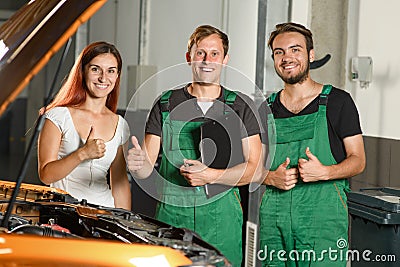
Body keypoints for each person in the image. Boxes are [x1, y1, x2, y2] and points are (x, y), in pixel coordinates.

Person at [127, 24, 262, 266]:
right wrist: (137, 165)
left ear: (225, 59)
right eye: (200, 53)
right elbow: (147, 167)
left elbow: (255, 169)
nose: (207, 60)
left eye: (214, 54)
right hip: (172, 218)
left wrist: (211, 175)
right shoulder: (166, 103)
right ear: (189, 57)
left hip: (222, 221)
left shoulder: (240, 105)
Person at [258, 22, 366, 266]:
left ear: (310, 54)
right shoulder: (264, 109)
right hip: (274, 222)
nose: (287, 58)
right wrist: (269, 178)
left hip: (322, 222)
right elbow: (251, 166)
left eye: (295, 50)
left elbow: (358, 160)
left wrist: (326, 172)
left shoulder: (339, 102)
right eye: (279, 52)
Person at [37, 41, 131, 210]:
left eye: (111, 71)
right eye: (95, 69)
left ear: (117, 76)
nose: (103, 77)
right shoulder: (58, 116)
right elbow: (46, 175)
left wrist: (127, 226)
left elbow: (120, 182)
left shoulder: (121, 125)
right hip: (64, 213)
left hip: (103, 214)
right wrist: (82, 153)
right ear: (83, 71)